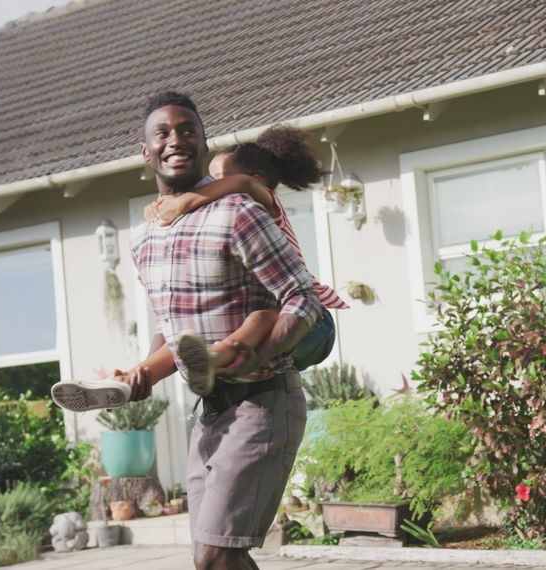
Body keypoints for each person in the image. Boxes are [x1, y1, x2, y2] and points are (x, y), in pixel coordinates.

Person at [52, 91, 319, 570]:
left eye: (187, 130)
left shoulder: (239, 212)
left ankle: (223, 358)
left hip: (263, 400)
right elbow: (171, 329)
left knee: (215, 555)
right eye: (163, 133)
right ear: (145, 150)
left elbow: (303, 299)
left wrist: (258, 357)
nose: (176, 140)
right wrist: (142, 373)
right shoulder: (144, 239)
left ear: (202, 141)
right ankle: (129, 382)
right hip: (209, 410)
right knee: (213, 557)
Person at [140, 126, 349, 396]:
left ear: (258, 180)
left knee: (260, 317)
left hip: (314, 322)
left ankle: (213, 359)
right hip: (275, 324)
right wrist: (159, 207)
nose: (208, 187)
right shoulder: (225, 220)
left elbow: (244, 185)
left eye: (217, 180)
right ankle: (138, 377)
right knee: (196, 327)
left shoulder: (265, 203)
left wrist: (184, 202)